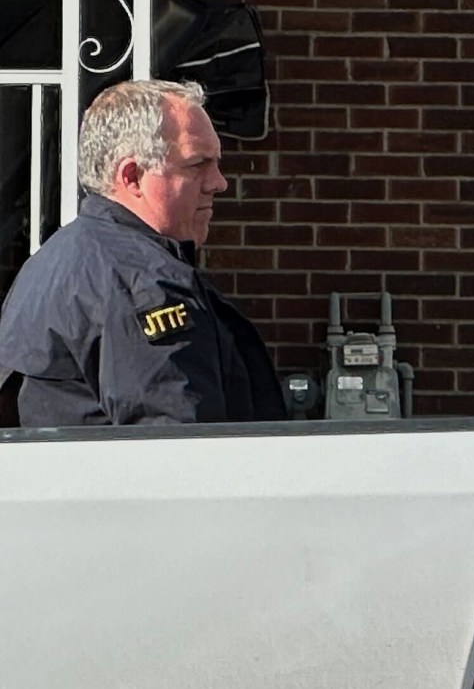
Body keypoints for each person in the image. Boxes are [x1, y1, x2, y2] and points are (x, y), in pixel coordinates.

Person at [0, 78, 280, 427]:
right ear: (131, 176)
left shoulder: (56, 258)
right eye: (197, 165)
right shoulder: (141, 281)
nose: (218, 182)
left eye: (216, 163)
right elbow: (175, 445)